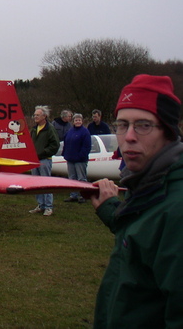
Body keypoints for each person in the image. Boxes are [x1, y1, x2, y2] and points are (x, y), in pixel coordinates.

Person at [90, 75, 183, 327]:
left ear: (169, 131)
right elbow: (144, 235)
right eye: (122, 125)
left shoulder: (176, 208)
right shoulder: (146, 183)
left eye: (143, 125)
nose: (129, 136)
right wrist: (111, 209)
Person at [29, 106, 60, 216]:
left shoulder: (50, 129)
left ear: (44, 116)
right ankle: (40, 205)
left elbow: (55, 145)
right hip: (34, 161)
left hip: (45, 160)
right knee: (36, 184)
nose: (35, 117)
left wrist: (43, 153)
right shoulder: (33, 129)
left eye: (37, 115)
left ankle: (48, 206)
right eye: (35, 115)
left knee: (46, 183)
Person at [62, 113, 91, 203]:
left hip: (80, 160)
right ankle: (73, 195)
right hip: (70, 159)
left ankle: (83, 196)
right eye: (76, 120)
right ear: (73, 121)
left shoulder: (85, 132)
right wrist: (65, 153)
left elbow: (87, 146)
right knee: (72, 178)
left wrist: (80, 156)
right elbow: (66, 143)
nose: (78, 122)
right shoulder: (70, 131)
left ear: (82, 121)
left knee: (81, 178)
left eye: (79, 120)